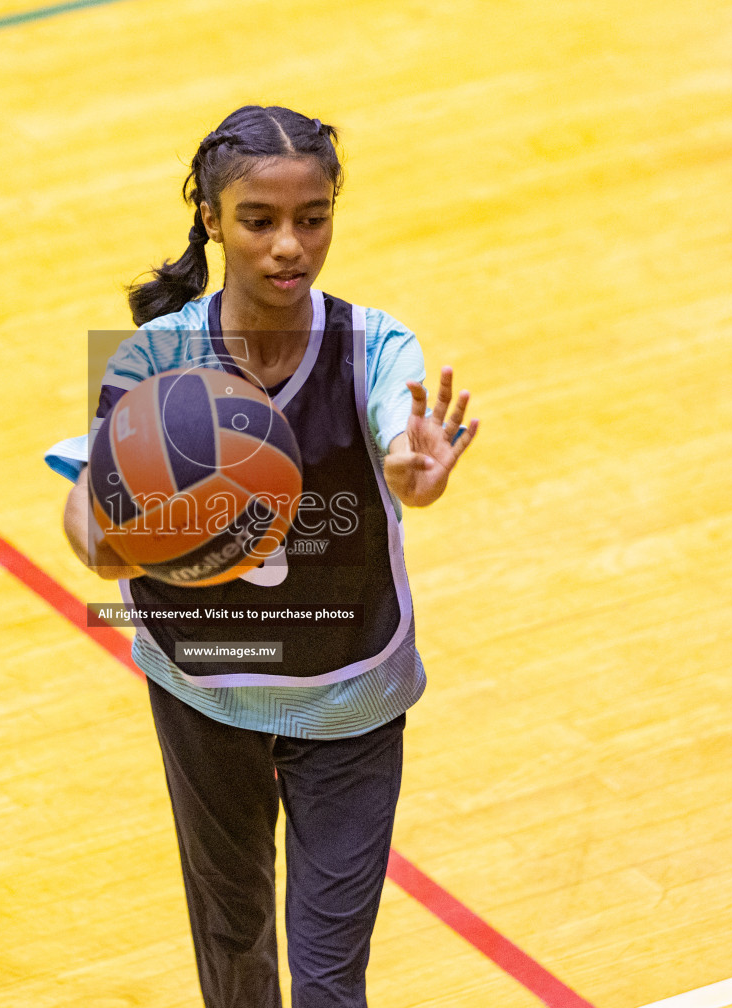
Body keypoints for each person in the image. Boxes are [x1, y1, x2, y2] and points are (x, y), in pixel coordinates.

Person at [45, 106, 478, 1007]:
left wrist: (414, 470)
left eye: (312, 219)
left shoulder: (373, 346)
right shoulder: (154, 357)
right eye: (261, 221)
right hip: (204, 692)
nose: (291, 246)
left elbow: (404, 442)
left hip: (349, 695)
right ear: (211, 218)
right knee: (234, 953)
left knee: (328, 984)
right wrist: (115, 543)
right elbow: (87, 515)